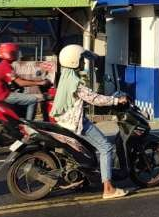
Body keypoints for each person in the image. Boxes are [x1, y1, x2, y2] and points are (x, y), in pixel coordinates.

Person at [51, 44, 128, 200]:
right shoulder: (76, 83)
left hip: (65, 121)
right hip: (76, 123)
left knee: (94, 146)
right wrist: (115, 101)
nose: (82, 62)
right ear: (74, 61)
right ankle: (108, 188)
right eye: (80, 59)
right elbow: (95, 99)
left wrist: (92, 57)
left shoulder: (65, 77)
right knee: (106, 147)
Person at [0, 42, 48, 120]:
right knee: (33, 99)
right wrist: (39, 83)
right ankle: (28, 125)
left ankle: (21, 118)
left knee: (25, 94)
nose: (17, 54)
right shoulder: (5, 66)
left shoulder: (5, 64)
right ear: (9, 54)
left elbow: (18, 79)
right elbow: (19, 82)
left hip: (3, 93)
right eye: (15, 53)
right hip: (3, 95)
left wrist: (37, 81)